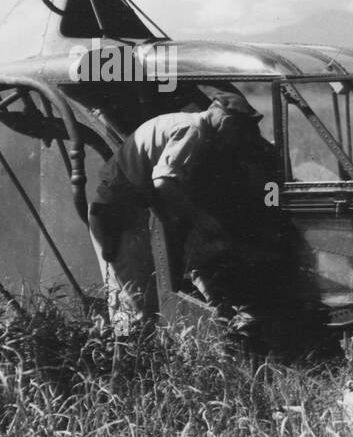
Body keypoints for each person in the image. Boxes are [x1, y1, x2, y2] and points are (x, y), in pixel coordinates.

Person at [88, 91, 272, 342]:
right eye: (238, 132)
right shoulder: (193, 129)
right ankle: (127, 357)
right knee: (133, 303)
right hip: (119, 216)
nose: (235, 141)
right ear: (227, 122)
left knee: (134, 297)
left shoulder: (185, 123)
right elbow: (163, 181)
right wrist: (199, 219)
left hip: (125, 211)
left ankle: (134, 354)